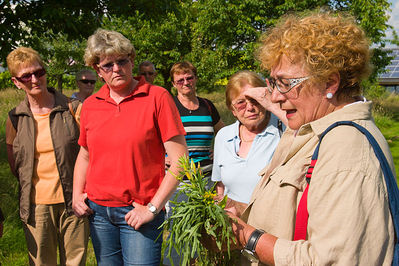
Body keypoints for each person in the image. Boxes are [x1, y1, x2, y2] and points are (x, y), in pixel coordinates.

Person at [206, 13, 397, 265]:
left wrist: (246, 237)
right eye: (273, 83)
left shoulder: (346, 150)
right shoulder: (313, 132)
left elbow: (331, 259)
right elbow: (296, 214)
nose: (274, 97)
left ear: (329, 82)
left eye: (285, 83)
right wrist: (240, 212)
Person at [72, 29, 187, 266]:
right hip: (98, 212)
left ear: (131, 60)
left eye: (122, 61)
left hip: (139, 212)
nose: (116, 69)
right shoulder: (91, 105)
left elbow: (180, 160)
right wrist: (76, 194)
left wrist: (153, 208)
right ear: (97, 70)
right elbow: (84, 155)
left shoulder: (157, 97)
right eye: (107, 65)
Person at [5, 47, 89, 265]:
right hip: (36, 207)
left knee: (75, 262)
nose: (35, 79)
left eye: (39, 72)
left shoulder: (73, 109)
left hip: (74, 203)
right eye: (27, 76)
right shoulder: (15, 118)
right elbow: (15, 165)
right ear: (16, 82)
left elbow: (90, 154)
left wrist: (83, 193)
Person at [163, 61, 224, 265]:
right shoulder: (169, 106)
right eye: (180, 79)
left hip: (205, 181)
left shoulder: (207, 105)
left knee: (204, 232)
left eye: (189, 77)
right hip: (178, 181)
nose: (185, 82)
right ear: (173, 83)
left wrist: (220, 151)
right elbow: (154, 139)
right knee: (179, 233)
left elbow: (223, 133)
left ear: (195, 78)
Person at [211, 71, 287, 215]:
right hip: (235, 225)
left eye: (255, 100)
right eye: (241, 103)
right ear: (232, 109)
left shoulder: (283, 130)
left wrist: (274, 107)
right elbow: (220, 185)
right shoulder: (224, 136)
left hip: (272, 225)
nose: (250, 108)